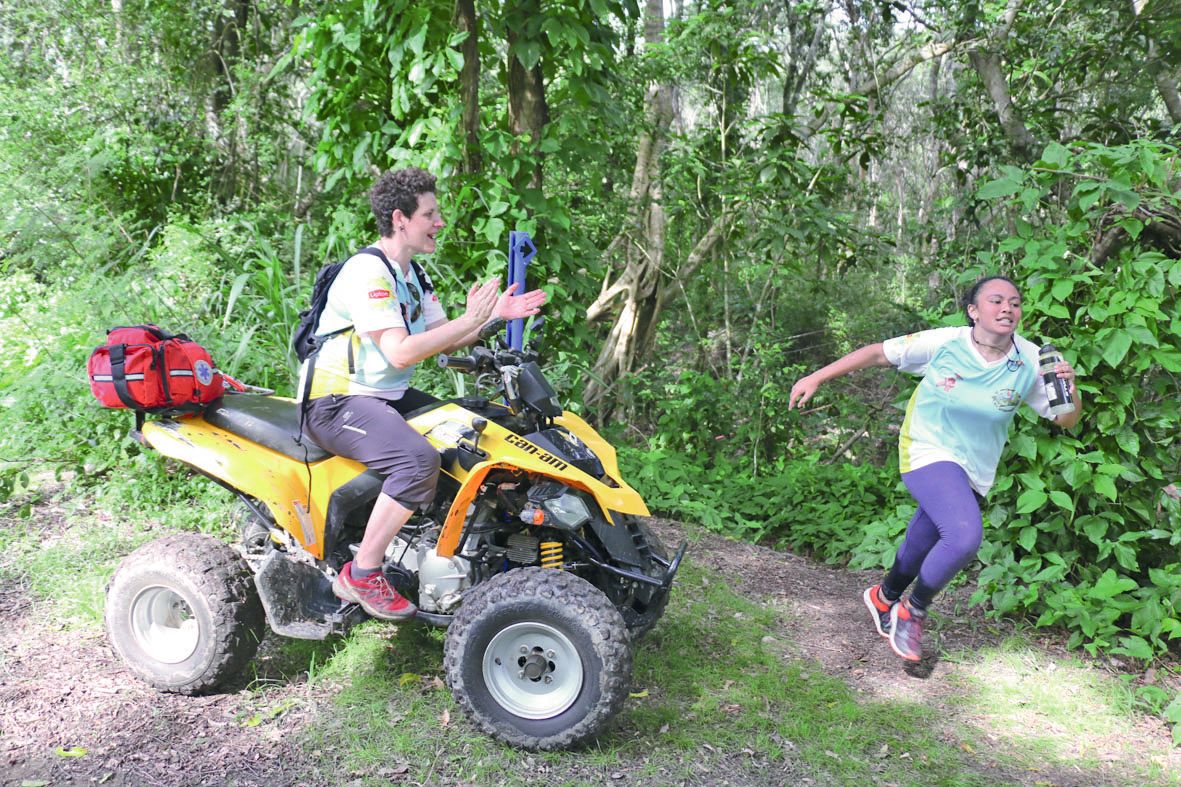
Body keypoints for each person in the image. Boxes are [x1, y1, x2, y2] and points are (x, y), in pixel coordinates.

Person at [787, 276, 1081, 662]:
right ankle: (912, 612)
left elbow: (1067, 420)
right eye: (996, 301)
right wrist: (816, 376)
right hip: (925, 447)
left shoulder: (1033, 359)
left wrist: (1070, 388)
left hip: (974, 465)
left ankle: (884, 597)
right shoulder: (946, 342)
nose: (1008, 308)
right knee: (963, 536)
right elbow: (877, 353)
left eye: (1015, 302)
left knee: (926, 538)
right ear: (974, 311)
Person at [299, 167, 547, 620]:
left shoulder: (415, 276)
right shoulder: (369, 272)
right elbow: (399, 352)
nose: (439, 222)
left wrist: (492, 318)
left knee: (470, 435)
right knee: (417, 460)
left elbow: (443, 338)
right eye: (430, 214)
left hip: (381, 397)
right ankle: (362, 571)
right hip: (335, 403)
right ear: (400, 218)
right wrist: (470, 320)